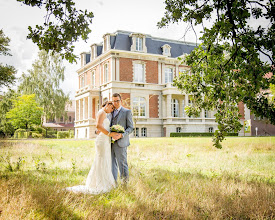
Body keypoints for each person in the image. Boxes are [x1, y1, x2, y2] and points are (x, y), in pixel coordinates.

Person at [66, 101, 116, 194]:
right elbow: (98, 125)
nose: (112, 110)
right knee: (102, 159)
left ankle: (103, 181)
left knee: (103, 159)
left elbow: (100, 127)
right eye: (112, 108)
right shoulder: (102, 112)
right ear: (108, 105)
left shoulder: (103, 113)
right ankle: (101, 182)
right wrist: (109, 133)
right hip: (102, 140)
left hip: (105, 139)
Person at [108, 93, 134, 183]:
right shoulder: (110, 112)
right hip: (110, 143)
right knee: (111, 164)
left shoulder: (127, 112)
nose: (115, 103)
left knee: (122, 164)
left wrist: (122, 135)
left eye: (117, 101)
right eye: (114, 101)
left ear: (121, 101)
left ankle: (124, 185)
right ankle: (113, 183)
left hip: (121, 142)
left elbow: (131, 128)